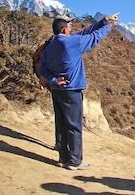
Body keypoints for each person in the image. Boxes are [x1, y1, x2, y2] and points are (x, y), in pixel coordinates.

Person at [39, 13, 119, 170]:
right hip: (72, 90)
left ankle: (63, 158)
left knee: (61, 123)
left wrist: (103, 21)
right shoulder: (72, 43)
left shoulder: (50, 46)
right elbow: (94, 37)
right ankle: (75, 161)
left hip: (57, 90)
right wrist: (109, 26)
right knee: (74, 125)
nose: (71, 27)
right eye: (69, 25)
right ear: (64, 30)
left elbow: (42, 70)